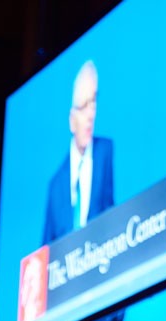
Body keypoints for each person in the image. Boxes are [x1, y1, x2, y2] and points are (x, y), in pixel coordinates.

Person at [43, 60, 115, 244]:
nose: (91, 115)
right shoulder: (56, 185)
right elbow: (44, 251)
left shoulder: (105, 152)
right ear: (71, 120)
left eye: (93, 103)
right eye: (84, 106)